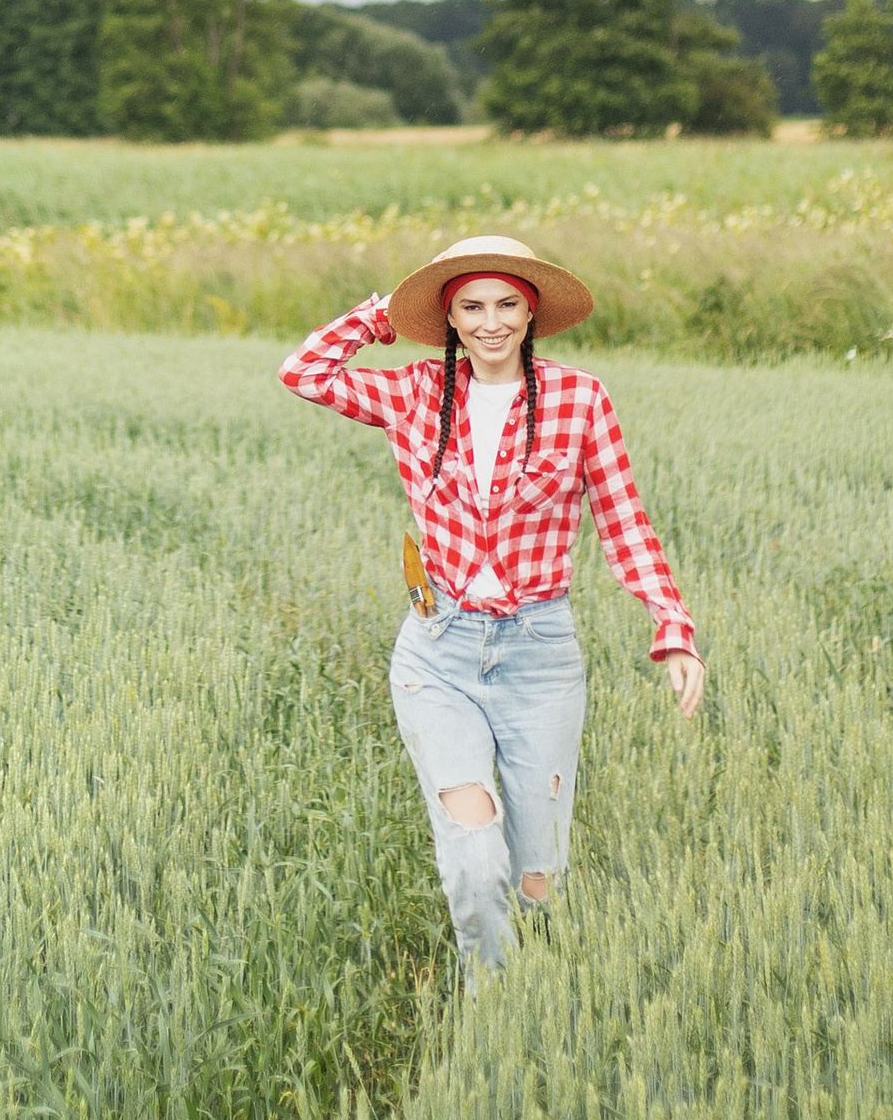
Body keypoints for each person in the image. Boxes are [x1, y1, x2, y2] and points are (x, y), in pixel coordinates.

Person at [281, 232, 703, 979]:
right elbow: (305, 371)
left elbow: (624, 520)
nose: (491, 322)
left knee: (539, 885)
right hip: (438, 654)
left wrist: (671, 626)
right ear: (448, 319)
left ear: (532, 312)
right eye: (469, 306)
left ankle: (534, 995)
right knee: (476, 862)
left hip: (540, 659)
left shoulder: (580, 399)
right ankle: (492, 1004)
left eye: (508, 304)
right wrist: (388, 312)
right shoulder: (413, 392)